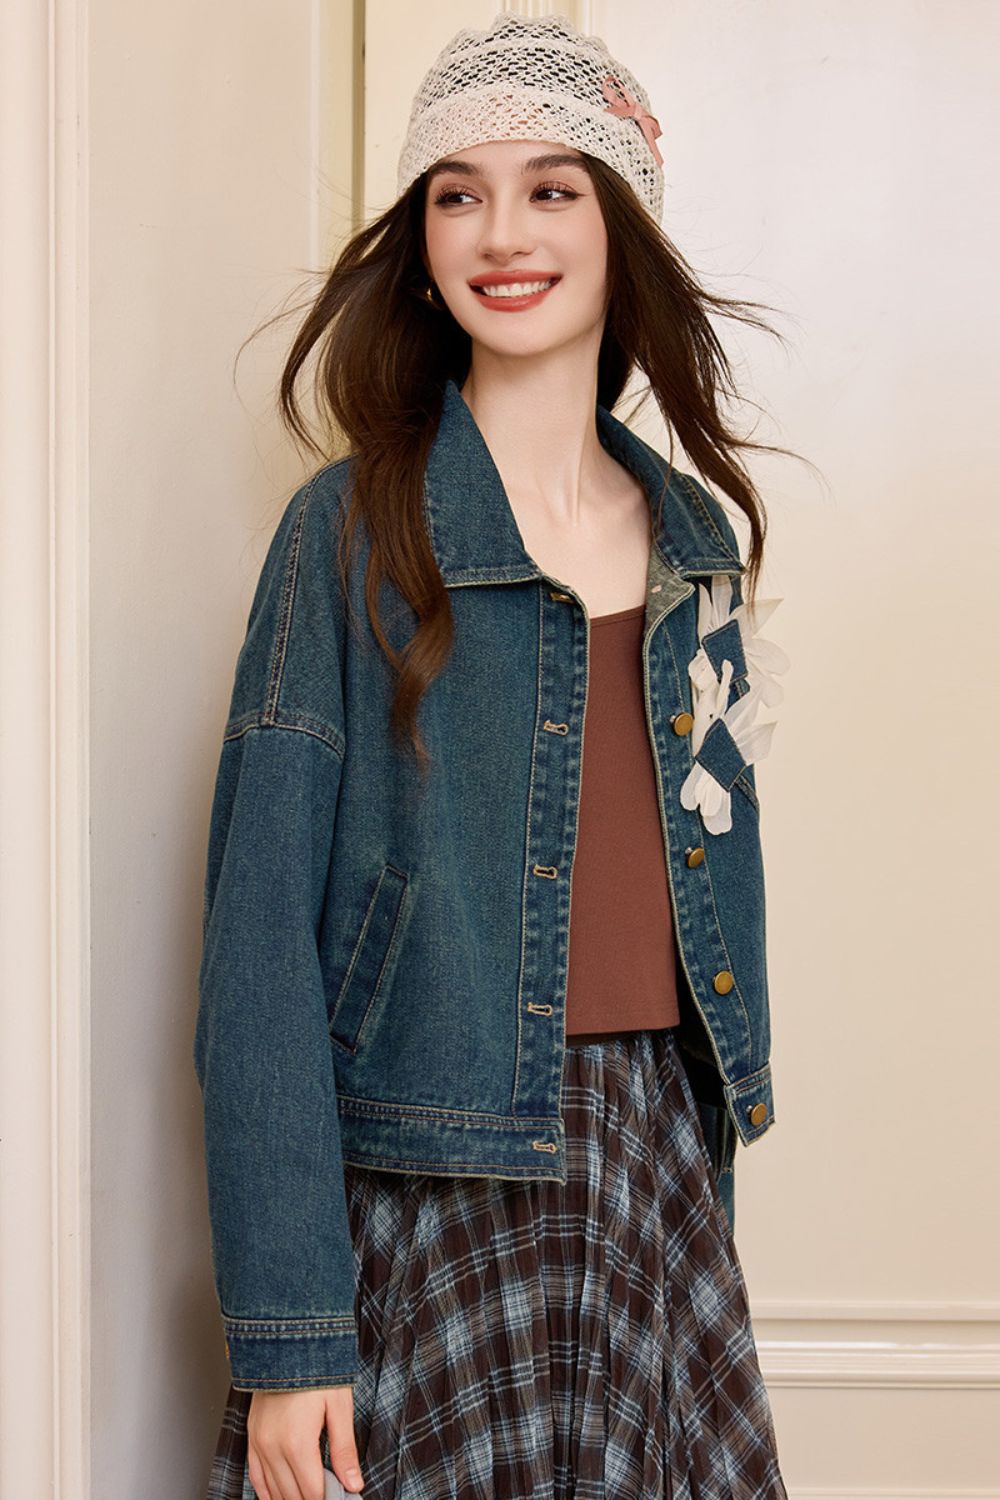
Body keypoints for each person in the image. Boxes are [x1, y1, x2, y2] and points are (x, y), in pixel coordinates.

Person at [194, 12, 795, 1499]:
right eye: (457, 192)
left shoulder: (694, 548)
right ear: (418, 240)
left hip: (650, 1163)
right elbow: (256, 953)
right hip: (431, 1179)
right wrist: (289, 1335)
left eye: (553, 188)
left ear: (620, 225)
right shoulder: (345, 536)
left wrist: (701, 1196)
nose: (502, 232)